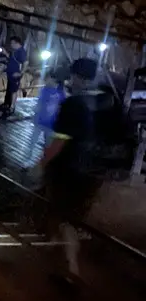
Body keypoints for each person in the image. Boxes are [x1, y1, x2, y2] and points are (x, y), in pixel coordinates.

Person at [37, 58, 100, 282]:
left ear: (77, 77)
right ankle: (54, 242)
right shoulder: (102, 101)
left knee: (66, 217)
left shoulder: (73, 104)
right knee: (65, 214)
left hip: (69, 168)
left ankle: (72, 269)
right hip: (90, 168)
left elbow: (59, 141)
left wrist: (42, 162)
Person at [27, 70, 66, 164]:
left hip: (50, 123)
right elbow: (40, 104)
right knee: (33, 142)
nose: (45, 80)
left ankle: (45, 161)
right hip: (41, 121)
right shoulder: (46, 90)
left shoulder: (60, 93)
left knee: (47, 144)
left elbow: (61, 107)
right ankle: (29, 159)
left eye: (48, 78)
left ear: (54, 79)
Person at [1, 36, 26, 117]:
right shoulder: (16, 51)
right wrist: (5, 53)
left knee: (14, 91)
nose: (11, 45)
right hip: (11, 74)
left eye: (12, 43)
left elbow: (26, 63)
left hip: (15, 75)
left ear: (16, 43)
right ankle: (8, 105)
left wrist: (20, 73)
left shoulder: (21, 52)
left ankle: (12, 107)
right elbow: (12, 59)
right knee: (11, 90)